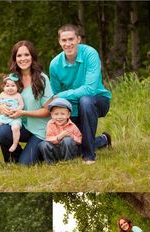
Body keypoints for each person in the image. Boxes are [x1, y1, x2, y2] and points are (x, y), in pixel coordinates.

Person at [49, 24, 112, 164]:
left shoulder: (90, 54)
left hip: (97, 100)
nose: (68, 43)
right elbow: (55, 96)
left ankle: (89, 156)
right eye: (64, 40)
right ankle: (103, 140)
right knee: (75, 144)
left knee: (86, 100)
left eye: (71, 39)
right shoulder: (54, 64)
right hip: (72, 107)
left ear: (78, 39)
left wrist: (62, 96)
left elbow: (89, 89)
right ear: (59, 42)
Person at [0, 40, 53, 165]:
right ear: (15, 59)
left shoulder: (42, 78)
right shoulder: (12, 79)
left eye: (26, 55)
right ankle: (13, 159)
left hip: (39, 130)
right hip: (20, 126)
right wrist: (1, 108)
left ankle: (40, 152)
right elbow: (1, 99)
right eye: (19, 55)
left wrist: (23, 112)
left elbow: (48, 110)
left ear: (32, 56)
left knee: (25, 164)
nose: (23, 59)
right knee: (1, 131)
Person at [38, 98, 82, 163]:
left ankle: (68, 161)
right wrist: (58, 137)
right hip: (56, 151)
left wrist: (71, 136)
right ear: (52, 115)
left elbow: (80, 140)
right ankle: (50, 162)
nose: (59, 117)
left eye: (62, 114)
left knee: (67, 140)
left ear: (68, 115)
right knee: (43, 144)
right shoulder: (50, 124)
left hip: (69, 151)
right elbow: (48, 138)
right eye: (56, 114)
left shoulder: (72, 125)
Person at [0, 74, 24, 151]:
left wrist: (17, 110)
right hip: (3, 116)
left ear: (17, 87)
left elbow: (22, 105)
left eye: (13, 85)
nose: (10, 88)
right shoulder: (2, 94)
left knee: (15, 128)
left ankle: (15, 144)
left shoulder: (17, 95)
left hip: (14, 117)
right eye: (7, 86)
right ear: (3, 87)